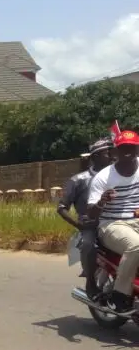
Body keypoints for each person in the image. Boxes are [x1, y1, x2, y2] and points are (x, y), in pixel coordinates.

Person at [87, 129, 139, 314]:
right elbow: (91, 213)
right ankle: (120, 295)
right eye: (123, 148)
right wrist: (102, 201)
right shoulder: (104, 178)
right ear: (115, 151)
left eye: (132, 148)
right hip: (112, 224)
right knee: (136, 246)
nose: (128, 152)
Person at [58, 138, 113, 297]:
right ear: (95, 157)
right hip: (90, 226)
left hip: (115, 221)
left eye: (112, 152)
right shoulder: (78, 180)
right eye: (106, 153)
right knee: (88, 244)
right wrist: (80, 225)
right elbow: (61, 208)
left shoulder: (115, 176)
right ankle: (90, 281)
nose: (111, 156)